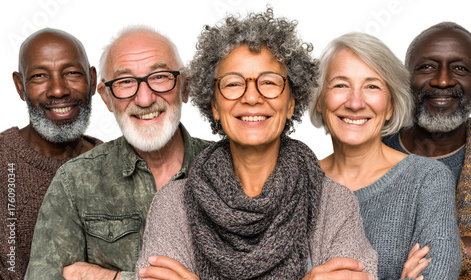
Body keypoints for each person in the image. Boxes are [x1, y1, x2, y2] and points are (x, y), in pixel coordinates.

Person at [136, 8, 377, 280]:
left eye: (270, 82)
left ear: (291, 104)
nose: (251, 97)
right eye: (234, 83)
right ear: (214, 105)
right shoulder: (173, 204)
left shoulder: (333, 202)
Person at [24, 26, 211, 280]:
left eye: (159, 77)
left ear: (185, 87)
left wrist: (105, 277)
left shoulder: (232, 168)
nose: (144, 99)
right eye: (125, 82)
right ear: (107, 98)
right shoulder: (75, 181)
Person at [310, 32, 462, 279]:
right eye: (340, 85)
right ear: (319, 100)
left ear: (390, 105)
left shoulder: (428, 181)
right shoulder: (294, 182)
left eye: (372, 86)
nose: (355, 103)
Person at [382, 22, 471, 278]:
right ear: (406, 79)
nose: (443, 80)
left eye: (459, 68)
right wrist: (459, 248)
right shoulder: (366, 147)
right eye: (427, 67)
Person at [0, 28, 102, 280]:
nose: (58, 90)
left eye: (71, 73)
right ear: (20, 86)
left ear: (91, 79)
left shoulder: (116, 163)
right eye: (39, 76)